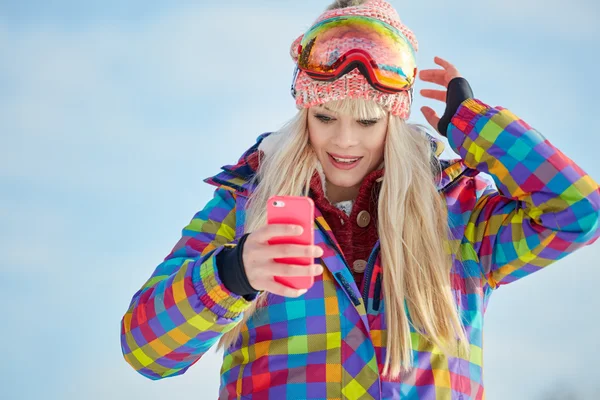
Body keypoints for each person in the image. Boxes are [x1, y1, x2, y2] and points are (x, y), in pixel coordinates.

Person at [120, 0, 600, 399]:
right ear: (304, 107)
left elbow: (579, 214)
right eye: (326, 117)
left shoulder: (457, 213)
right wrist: (232, 274)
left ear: (394, 118)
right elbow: (145, 349)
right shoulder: (247, 202)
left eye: (368, 122)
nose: (344, 141)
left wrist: (476, 126)